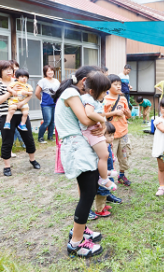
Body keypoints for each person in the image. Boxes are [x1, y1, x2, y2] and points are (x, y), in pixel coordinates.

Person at [53, 65, 105, 258]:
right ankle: (76, 243)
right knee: (88, 193)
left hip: (78, 145)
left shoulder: (75, 94)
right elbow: (85, 119)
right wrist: (104, 122)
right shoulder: (70, 93)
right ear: (85, 82)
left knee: (88, 190)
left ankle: (80, 230)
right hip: (75, 147)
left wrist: (99, 123)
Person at [0, 60, 41, 176]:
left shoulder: (18, 81)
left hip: (22, 114)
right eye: (6, 69)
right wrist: (10, 92)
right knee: (7, 141)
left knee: (29, 138)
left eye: (11, 69)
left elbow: (29, 95)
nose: (9, 71)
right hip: (6, 116)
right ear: (0, 71)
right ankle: (7, 166)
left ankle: (32, 160)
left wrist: (22, 103)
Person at [79, 72, 117, 191]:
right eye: (103, 92)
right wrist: (103, 120)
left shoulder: (90, 98)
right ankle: (104, 179)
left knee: (103, 155)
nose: (105, 95)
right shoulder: (88, 99)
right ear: (92, 91)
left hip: (94, 130)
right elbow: (90, 113)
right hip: (92, 132)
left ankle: (104, 172)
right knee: (104, 155)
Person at [104, 74, 133, 186]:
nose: (118, 86)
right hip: (111, 136)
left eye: (119, 84)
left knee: (124, 156)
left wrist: (127, 113)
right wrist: (114, 112)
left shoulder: (123, 99)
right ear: (108, 86)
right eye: (115, 84)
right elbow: (101, 116)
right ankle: (110, 179)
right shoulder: (105, 100)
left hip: (123, 133)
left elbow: (129, 115)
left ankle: (122, 175)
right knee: (111, 158)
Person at [94, 121, 121, 217]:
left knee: (106, 190)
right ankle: (99, 209)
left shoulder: (108, 144)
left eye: (113, 135)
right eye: (109, 135)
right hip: (102, 174)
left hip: (108, 172)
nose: (112, 137)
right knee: (102, 190)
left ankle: (104, 205)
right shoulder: (100, 146)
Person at [35, 65, 60, 143]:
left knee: (52, 121)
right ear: (45, 72)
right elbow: (37, 93)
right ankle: (40, 137)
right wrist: (42, 100)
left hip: (55, 104)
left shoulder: (56, 81)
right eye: (48, 71)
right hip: (46, 104)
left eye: (52, 70)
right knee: (47, 121)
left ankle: (50, 137)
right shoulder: (42, 81)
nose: (50, 72)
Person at [11, 61, 25, 149]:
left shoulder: (20, 79)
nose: (15, 68)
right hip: (11, 104)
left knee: (18, 124)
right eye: (13, 67)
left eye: (16, 66)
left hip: (20, 103)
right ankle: (21, 143)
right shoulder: (8, 79)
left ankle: (14, 143)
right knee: (14, 125)